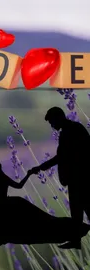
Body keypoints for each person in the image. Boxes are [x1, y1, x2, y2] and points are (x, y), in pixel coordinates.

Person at [28, 106, 90, 249]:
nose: (52, 126)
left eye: (52, 122)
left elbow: (61, 157)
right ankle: (75, 240)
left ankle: (75, 240)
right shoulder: (74, 129)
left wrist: (41, 167)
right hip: (79, 177)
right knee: (77, 212)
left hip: (79, 178)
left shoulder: (68, 132)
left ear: (58, 118)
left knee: (81, 210)